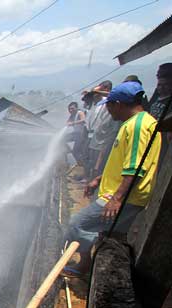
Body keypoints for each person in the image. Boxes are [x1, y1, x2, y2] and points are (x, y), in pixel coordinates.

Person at [64, 81, 162, 276]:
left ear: (118, 104)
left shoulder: (137, 127)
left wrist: (116, 198)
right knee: (111, 232)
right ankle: (89, 265)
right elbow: (127, 162)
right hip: (121, 193)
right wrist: (100, 178)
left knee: (77, 224)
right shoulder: (140, 122)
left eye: (109, 105)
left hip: (124, 197)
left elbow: (135, 168)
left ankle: (95, 256)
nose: (108, 110)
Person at [84, 81, 120, 178]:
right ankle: (89, 179)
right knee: (91, 160)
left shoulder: (107, 100)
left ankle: (94, 180)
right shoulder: (98, 103)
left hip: (104, 138)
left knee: (98, 163)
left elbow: (111, 95)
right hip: (96, 136)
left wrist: (98, 91)